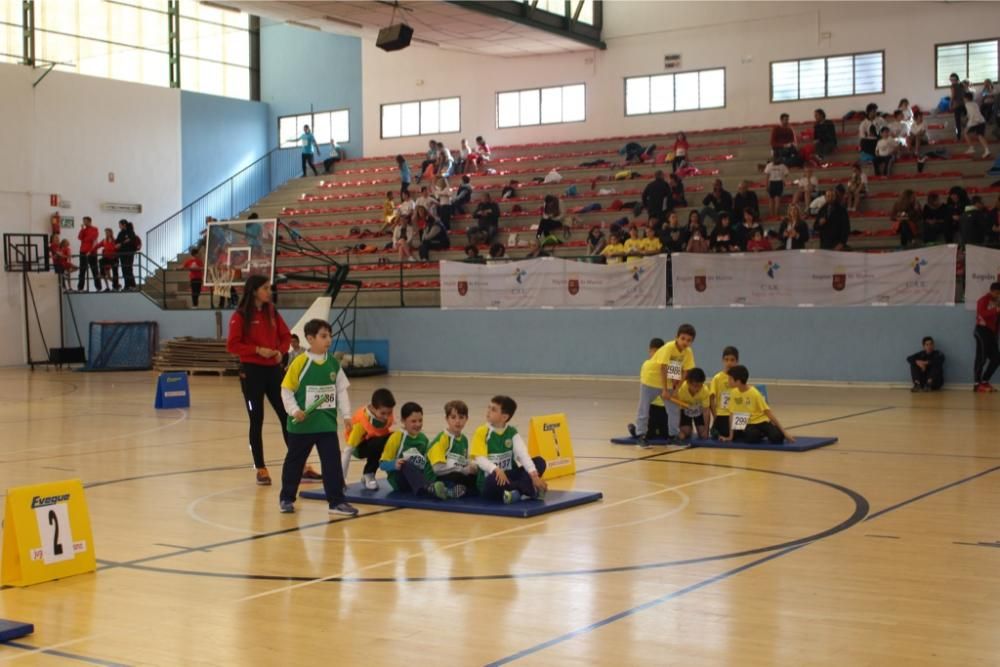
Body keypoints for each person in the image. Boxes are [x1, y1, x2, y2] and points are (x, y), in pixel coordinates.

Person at [227, 275, 303, 486]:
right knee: (256, 419)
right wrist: (257, 350)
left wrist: (279, 352)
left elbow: (286, 336)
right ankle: (260, 467)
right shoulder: (240, 316)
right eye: (265, 288)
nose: (269, 291)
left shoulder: (272, 312)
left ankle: (299, 464)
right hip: (251, 373)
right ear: (254, 291)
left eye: (269, 288)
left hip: (273, 371)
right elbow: (233, 345)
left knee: (287, 415)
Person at [278, 319, 357, 516]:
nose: (328, 340)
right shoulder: (299, 363)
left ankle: (337, 501)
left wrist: (346, 415)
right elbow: (286, 391)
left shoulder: (333, 364)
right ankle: (286, 498)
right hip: (302, 427)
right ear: (310, 339)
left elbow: (341, 391)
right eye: (323, 336)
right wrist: (295, 411)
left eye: (330, 335)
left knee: (332, 463)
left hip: (326, 426)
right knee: (295, 464)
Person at [471, 396, 547, 504]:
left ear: (504, 417)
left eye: (493, 409)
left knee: (539, 462)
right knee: (492, 482)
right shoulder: (481, 432)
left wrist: (534, 476)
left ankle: (516, 492)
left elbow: (523, 455)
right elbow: (480, 459)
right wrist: (495, 469)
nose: (488, 412)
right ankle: (527, 490)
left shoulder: (511, 432)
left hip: (510, 475)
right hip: (493, 477)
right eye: (489, 407)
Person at [634, 323, 696, 446]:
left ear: (692, 342)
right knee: (644, 407)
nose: (685, 342)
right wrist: (665, 390)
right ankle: (641, 435)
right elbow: (663, 368)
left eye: (688, 340)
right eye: (683, 338)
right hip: (651, 378)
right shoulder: (668, 347)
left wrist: (676, 389)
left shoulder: (688, 352)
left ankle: (673, 436)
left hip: (667, 381)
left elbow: (686, 371)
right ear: (676, 337)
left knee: (673, 409)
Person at [378, 402, 450, 499]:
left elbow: (426, 462)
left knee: (437, 463)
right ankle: (428, 487)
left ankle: (447, 489)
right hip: (401, 481)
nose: (418, 424)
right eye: (413, 421)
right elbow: (382, 464)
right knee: (406, 463)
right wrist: (394, 464)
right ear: (403, 420)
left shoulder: (423, 438)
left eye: (420, 420)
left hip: (419, 476)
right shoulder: (396, 438)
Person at [717, 365, 795, 444]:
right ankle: (760, 434)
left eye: (730, 378)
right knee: (751, 437)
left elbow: (769, 413)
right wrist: (730, 437)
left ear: (738, 381)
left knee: (777, 438)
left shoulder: (755, 393)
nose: (728, 380)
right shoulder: (733, 393)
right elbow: (732, 414)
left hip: (762, 421)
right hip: (749, 424)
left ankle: (767, 431)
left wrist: (785, 433)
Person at [343, 388, 396, 489]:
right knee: (378, 443)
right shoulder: (361, 423)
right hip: (359, 448)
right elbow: (347, 450)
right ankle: (368, 474)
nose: (386, 417)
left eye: (389, 413)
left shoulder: (385, 413)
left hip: (375, 439)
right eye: (383, 413)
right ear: (373, 408)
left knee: (397, 438)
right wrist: (341, 479)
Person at [428, 400, 477, 497]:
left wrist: (473, 466)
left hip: (454, 473)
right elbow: (438, 469)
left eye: (461, 417)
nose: (457, 421)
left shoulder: (464, 439)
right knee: (458, 476)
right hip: (436, 477)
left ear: (466, 419)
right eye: (453, 417)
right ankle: (441, 489)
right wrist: (464, 470)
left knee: (477, 475)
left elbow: (463, 462)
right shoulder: (441, 440)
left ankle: (456, 489)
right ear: (447, 419)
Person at [627, 338, 668, 442]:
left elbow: (677, 383)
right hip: (653, 406)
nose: (656, 356)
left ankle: (658, 428)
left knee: (666, 434)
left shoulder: (671, 365)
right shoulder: (647, 365)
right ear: (650, 351)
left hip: (666, 406)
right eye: (654, 352)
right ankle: (637, 430)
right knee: (649, 434)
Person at [973, 282, 1000, 392]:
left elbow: (997, 320)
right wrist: (995, 310)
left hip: (991, 333)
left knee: (996, 358)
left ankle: (985, 381)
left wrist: (996, 334)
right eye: (997, 293)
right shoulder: (983, 300)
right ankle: (977, 383)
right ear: (991, 290)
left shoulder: (997, 302)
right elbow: (981, 313)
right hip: (981, 330)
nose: (998, 295)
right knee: (982, 357)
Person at [709, 346, 740, 438]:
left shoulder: (740, 378)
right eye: (726, 360)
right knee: (724, 432)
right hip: (722, 414)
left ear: (737, 361)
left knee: (744, 432)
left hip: (736, 413)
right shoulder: (717, 378)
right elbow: (711, 399)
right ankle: (716, 427)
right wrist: (715, 416)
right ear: (722, 360)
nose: (729, 363)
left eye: (732, 360)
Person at [675, 367, 713, 441]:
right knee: (686, 432)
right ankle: (688, 428)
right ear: (688, 383)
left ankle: (699, 429)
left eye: (700, 386)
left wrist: (706, 430)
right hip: (685, 411)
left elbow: (706, 411)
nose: (697, 389)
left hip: (699, 411)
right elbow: (677, 410)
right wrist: (678, 429)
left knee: (702, 434)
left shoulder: (705, 391)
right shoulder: (681, 390)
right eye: (695, 386)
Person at [963, 91, 992, 159]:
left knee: (966, 133)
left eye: (964, 98)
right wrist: (967, 118)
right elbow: (972, 113)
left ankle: (971, 148)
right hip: (981, 121)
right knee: (980, 136)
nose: (963, 99)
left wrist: (968, 124)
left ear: (966, 98)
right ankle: (987, 150)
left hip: (976, 122)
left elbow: (973, 115)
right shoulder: (974, 103)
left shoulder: (967, 104)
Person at [76, 216, 101, 292]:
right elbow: (79, 237)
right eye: (83, 221)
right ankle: (80, 288)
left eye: (85, 221)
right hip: (83, 251)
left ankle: (98, 287)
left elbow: (94, 240)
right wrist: (82, 229)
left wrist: (90, 251)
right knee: (82, 270)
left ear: (89, 221)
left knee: (94, 270)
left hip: (92, 252)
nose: (84, 222)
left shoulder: (94, 229)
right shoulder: (84, 230)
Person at [115, 219, 138, 290]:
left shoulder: (130, 232)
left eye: (120, 224)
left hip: (129, 253)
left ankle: (133, 285)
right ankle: (127, 285)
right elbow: (117, 241)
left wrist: (121, 244)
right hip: (122, 254)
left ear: (124, 224)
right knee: (124, 270)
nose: (119, 226)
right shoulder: (120, 233)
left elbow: (130, 239)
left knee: (128, 269)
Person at [98, 227, 119, 292]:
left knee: (111, 275)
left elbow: (115, 248)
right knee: (105, 274)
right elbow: (97, 245)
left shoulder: (115, 240)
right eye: (105, 232)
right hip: (106, 259)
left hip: (113, 258)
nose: (106, 233)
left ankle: (116, 286)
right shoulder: (104, 240)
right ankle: (109, 286)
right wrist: (90, 251)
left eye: (107, 232)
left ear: (111, 233)